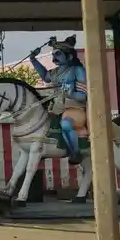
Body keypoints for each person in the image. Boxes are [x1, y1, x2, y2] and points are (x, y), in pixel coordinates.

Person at [30, 35, 87, 164]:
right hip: (56, 108)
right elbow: (46, 77)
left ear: (70, 56)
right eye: (53, 54)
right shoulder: (55, 72)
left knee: (66, 124)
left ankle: (75, 153)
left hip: (74, 108)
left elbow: (84, 96)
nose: (54, 58)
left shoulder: (77, 70)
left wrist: (71, 94)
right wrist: (33, 60)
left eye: (58, 54)